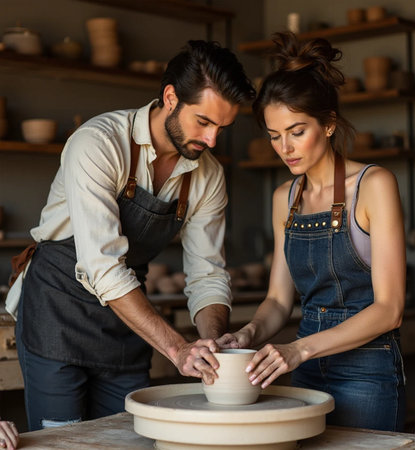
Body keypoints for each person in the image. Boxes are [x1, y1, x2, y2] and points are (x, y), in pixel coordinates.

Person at [10, 40, 255, 431]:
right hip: (57, 309)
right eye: (203, 122)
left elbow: (207, 273)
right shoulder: (99, 143)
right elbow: (103, 266)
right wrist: (178, 349)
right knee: (63, 439)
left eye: (222, 128)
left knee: (129, 437)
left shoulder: (207, 175)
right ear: (171, 97)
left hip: (126, 324)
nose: (212, 141)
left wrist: (211, 343)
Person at [217, 32, 406, 432]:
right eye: (274, 136)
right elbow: (278, 300)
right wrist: (248, 333)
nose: (285, 147)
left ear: (329, 124)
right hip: (305, 374)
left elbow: (389, 310)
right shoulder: (284, 198)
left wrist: (297, 349)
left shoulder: (374, 185)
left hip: (367, 372)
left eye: (297, 131)